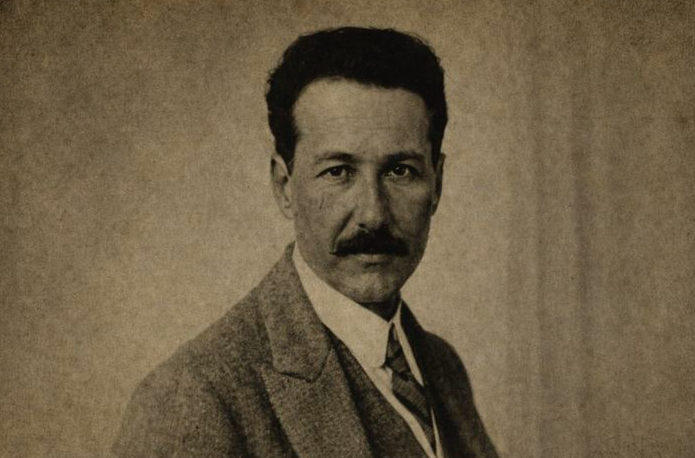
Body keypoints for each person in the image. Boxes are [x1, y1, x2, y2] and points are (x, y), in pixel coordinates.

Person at [113, 27, 498, 458]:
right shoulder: (192, 399)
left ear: (437, 183)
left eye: (400, 171)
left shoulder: (441, 366)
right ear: (284, 187)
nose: (373, 213)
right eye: (338, 172)